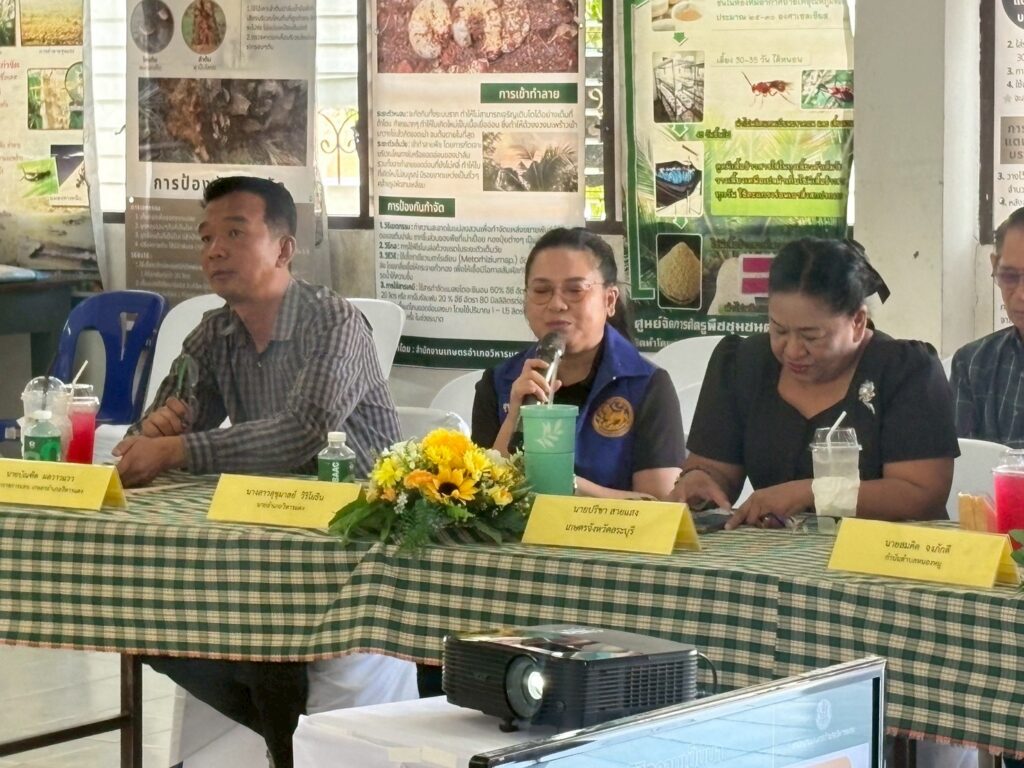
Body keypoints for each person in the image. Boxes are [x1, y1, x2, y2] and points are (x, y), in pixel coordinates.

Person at [113, 176, 412, 768]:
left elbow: (304, 432)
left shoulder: (335, 322)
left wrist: (176, 450)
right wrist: (154, 430)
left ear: (283, 248)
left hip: (354, 542)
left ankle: (284, 733)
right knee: (148, 611)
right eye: (206, 238)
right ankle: (278, 728)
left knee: (254, 640)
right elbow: (162, 425)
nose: (214, 251)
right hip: (265, 537)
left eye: (234, 233)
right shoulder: (214, 332)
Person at [670, 237, 958, 528]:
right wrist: (699, 480)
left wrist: (811, 493)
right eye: (779, 330)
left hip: (888, 549)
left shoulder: (906, 371)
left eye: (811, 336)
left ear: (858, 322)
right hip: (776, 549)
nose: (793, 350)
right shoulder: (743, 364)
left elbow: (921, 495)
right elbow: (715, 468)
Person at [472, 226, 685, 499]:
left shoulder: (647, 385)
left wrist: (565, 484)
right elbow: (480, 499)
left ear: (609, 300)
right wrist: (514, 417)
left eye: (575, 290)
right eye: (541, 290)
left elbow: (659, 505)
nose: (557, 304)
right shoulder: (499, 383)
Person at [951, 207, 1024, 448]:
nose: (1021, 295)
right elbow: (963, 461)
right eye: (1010, 277)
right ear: (994, 266)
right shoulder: (973, 364)